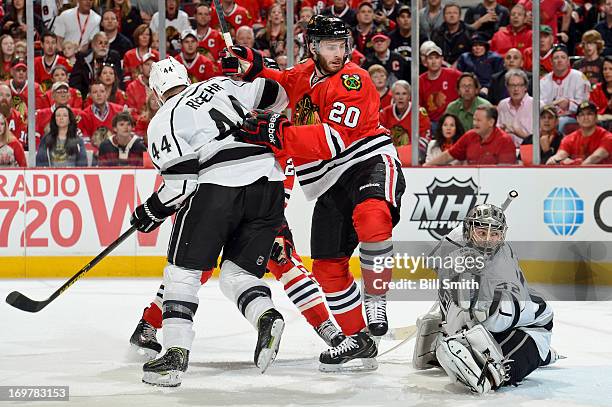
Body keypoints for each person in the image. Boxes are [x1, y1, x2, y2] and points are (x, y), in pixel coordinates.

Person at [225, 15, 406, 371]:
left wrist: (276, 132)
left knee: (372, 218)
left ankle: (376, 297)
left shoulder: (355, 79)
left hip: (366, 160)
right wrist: (251, 63)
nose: (338, 53)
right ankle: (358, 339)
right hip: (327, 181)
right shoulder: (306, 73)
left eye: (341, 46)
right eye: (329, 47)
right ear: (313, 47)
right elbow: (280, 79)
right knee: (326, 267)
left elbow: (331, 140)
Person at [132, 57, 289, 387]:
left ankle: (174, 354)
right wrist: (254, 67)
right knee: (238, 274)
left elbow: (182, 183)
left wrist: (151, 210)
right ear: (187, 78)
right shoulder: (219, 83)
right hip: (269, 180)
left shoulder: (163, 119)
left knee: (182, 274)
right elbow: (277, 94)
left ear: (156, 92)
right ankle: (265, 314)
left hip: (219, 184)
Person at [413, 202, 556, 394]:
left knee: (502, 345)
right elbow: (433, 262)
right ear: (467, 231)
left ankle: (499, 369)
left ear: (502, 236)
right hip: (485, 319)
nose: (488, 240)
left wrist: (477, 316)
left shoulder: (504, 261)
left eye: (494, 234)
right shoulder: (455, 245)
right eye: (482, 232)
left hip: (524, 324)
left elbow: (499, 318)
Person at [425, 105, 516, 165]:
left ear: (491, 122)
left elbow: (505, 172)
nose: (475, 123)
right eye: (474, 119)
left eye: (479, 120)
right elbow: (449, 155)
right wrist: (427, 166)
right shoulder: (469, 136)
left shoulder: (505, 141)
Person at [541, 44, 592, 134]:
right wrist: (552, 107)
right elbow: (540, 104)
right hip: (549, 116)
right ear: (551, 62)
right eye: (556, 58)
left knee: (561, 122)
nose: (559, 60)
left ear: (568, 61)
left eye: (563, 57)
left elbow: (585, 104)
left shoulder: (579, 77)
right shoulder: (544, 81)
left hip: (574, 117)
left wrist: (569, 104)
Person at [546, 101, 612, 165]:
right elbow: (560, 155)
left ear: (596, 117)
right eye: (582, 114)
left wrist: (574, 164)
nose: (586, 117)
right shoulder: (569, 139)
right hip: (578, 174)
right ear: (577, 119)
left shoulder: (608, 137)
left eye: (589, 114)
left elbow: (596, 157)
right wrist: (553, 160)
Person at [419, 44, 462, 129]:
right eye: (431, 58)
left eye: (437, 58)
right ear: (425, 62)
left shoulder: (454, 74)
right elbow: (418, 107)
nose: (434, 61)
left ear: (442, 60)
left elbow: (467, 83)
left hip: (454, 120)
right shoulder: (420, 81)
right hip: (432, 122)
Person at [380, 80, 431, 152]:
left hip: (413, 153)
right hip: (390, 153)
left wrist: (404, 151)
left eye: (404, 94)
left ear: (409, 96)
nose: (401, 97)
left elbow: (425, 139)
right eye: (397, 94)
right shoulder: (384, 113)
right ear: (393, 96)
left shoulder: (419, 113)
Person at [70, 32, 124, 98]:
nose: (103, 46)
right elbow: (75, 81)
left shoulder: (114, 57)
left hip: (110, 95)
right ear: (93, 45)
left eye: (106, 43)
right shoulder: (83, 58)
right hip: (86, 95)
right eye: (100, 43)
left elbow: (118, 79)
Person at [497, 69, 538, 147]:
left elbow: (541, 139)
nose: (516, 89)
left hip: (530, 149)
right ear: (507, 88)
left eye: (520, 85)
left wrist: (519, 133)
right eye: (512, 85)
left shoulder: (536, 105)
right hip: (506, 150)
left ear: (526, 87)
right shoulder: (502, 105)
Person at [0, 83, 27, 149]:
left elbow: (20, 144)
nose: (4, 98)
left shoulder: (18, 117)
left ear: (11, 100)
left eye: (8, 95)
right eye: (1, 95)